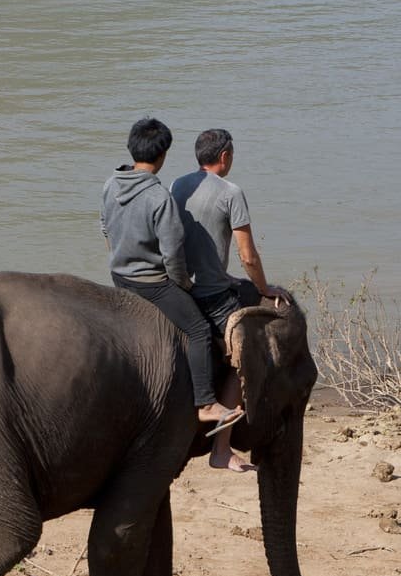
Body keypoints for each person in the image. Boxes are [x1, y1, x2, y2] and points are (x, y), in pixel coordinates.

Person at [101, 117, 242, 436]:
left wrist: (122, 259)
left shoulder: (111, 184)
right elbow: (173, 255)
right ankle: (206, 404)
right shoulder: (159, 197)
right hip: (151, 283)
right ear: (162, 155)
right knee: (199, 329)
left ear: (131, 148)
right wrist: (184, 285)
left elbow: (106, 229)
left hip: (119, 276)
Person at [170, 129, 293, 471]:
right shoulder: (231, 193)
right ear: (225, 157)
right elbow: (248, 256)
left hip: (179, 290)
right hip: (213, 297)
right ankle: (221, 448)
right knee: (244, 359)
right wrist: (266, 288)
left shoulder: (177, 186)